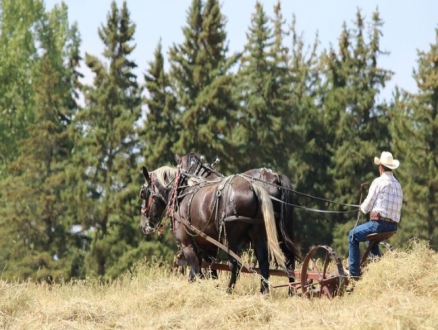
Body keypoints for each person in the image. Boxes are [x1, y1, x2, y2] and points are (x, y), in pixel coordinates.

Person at [348, 151, 403, 279]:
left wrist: (361, 207)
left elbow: (366, 207)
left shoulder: (379, 182)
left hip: (379, 225)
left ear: (381, 168)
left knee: (352, 236)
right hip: (393, 226)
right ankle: (378, 272)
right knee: (372, 242)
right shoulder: (398, 185)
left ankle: (353, 276)